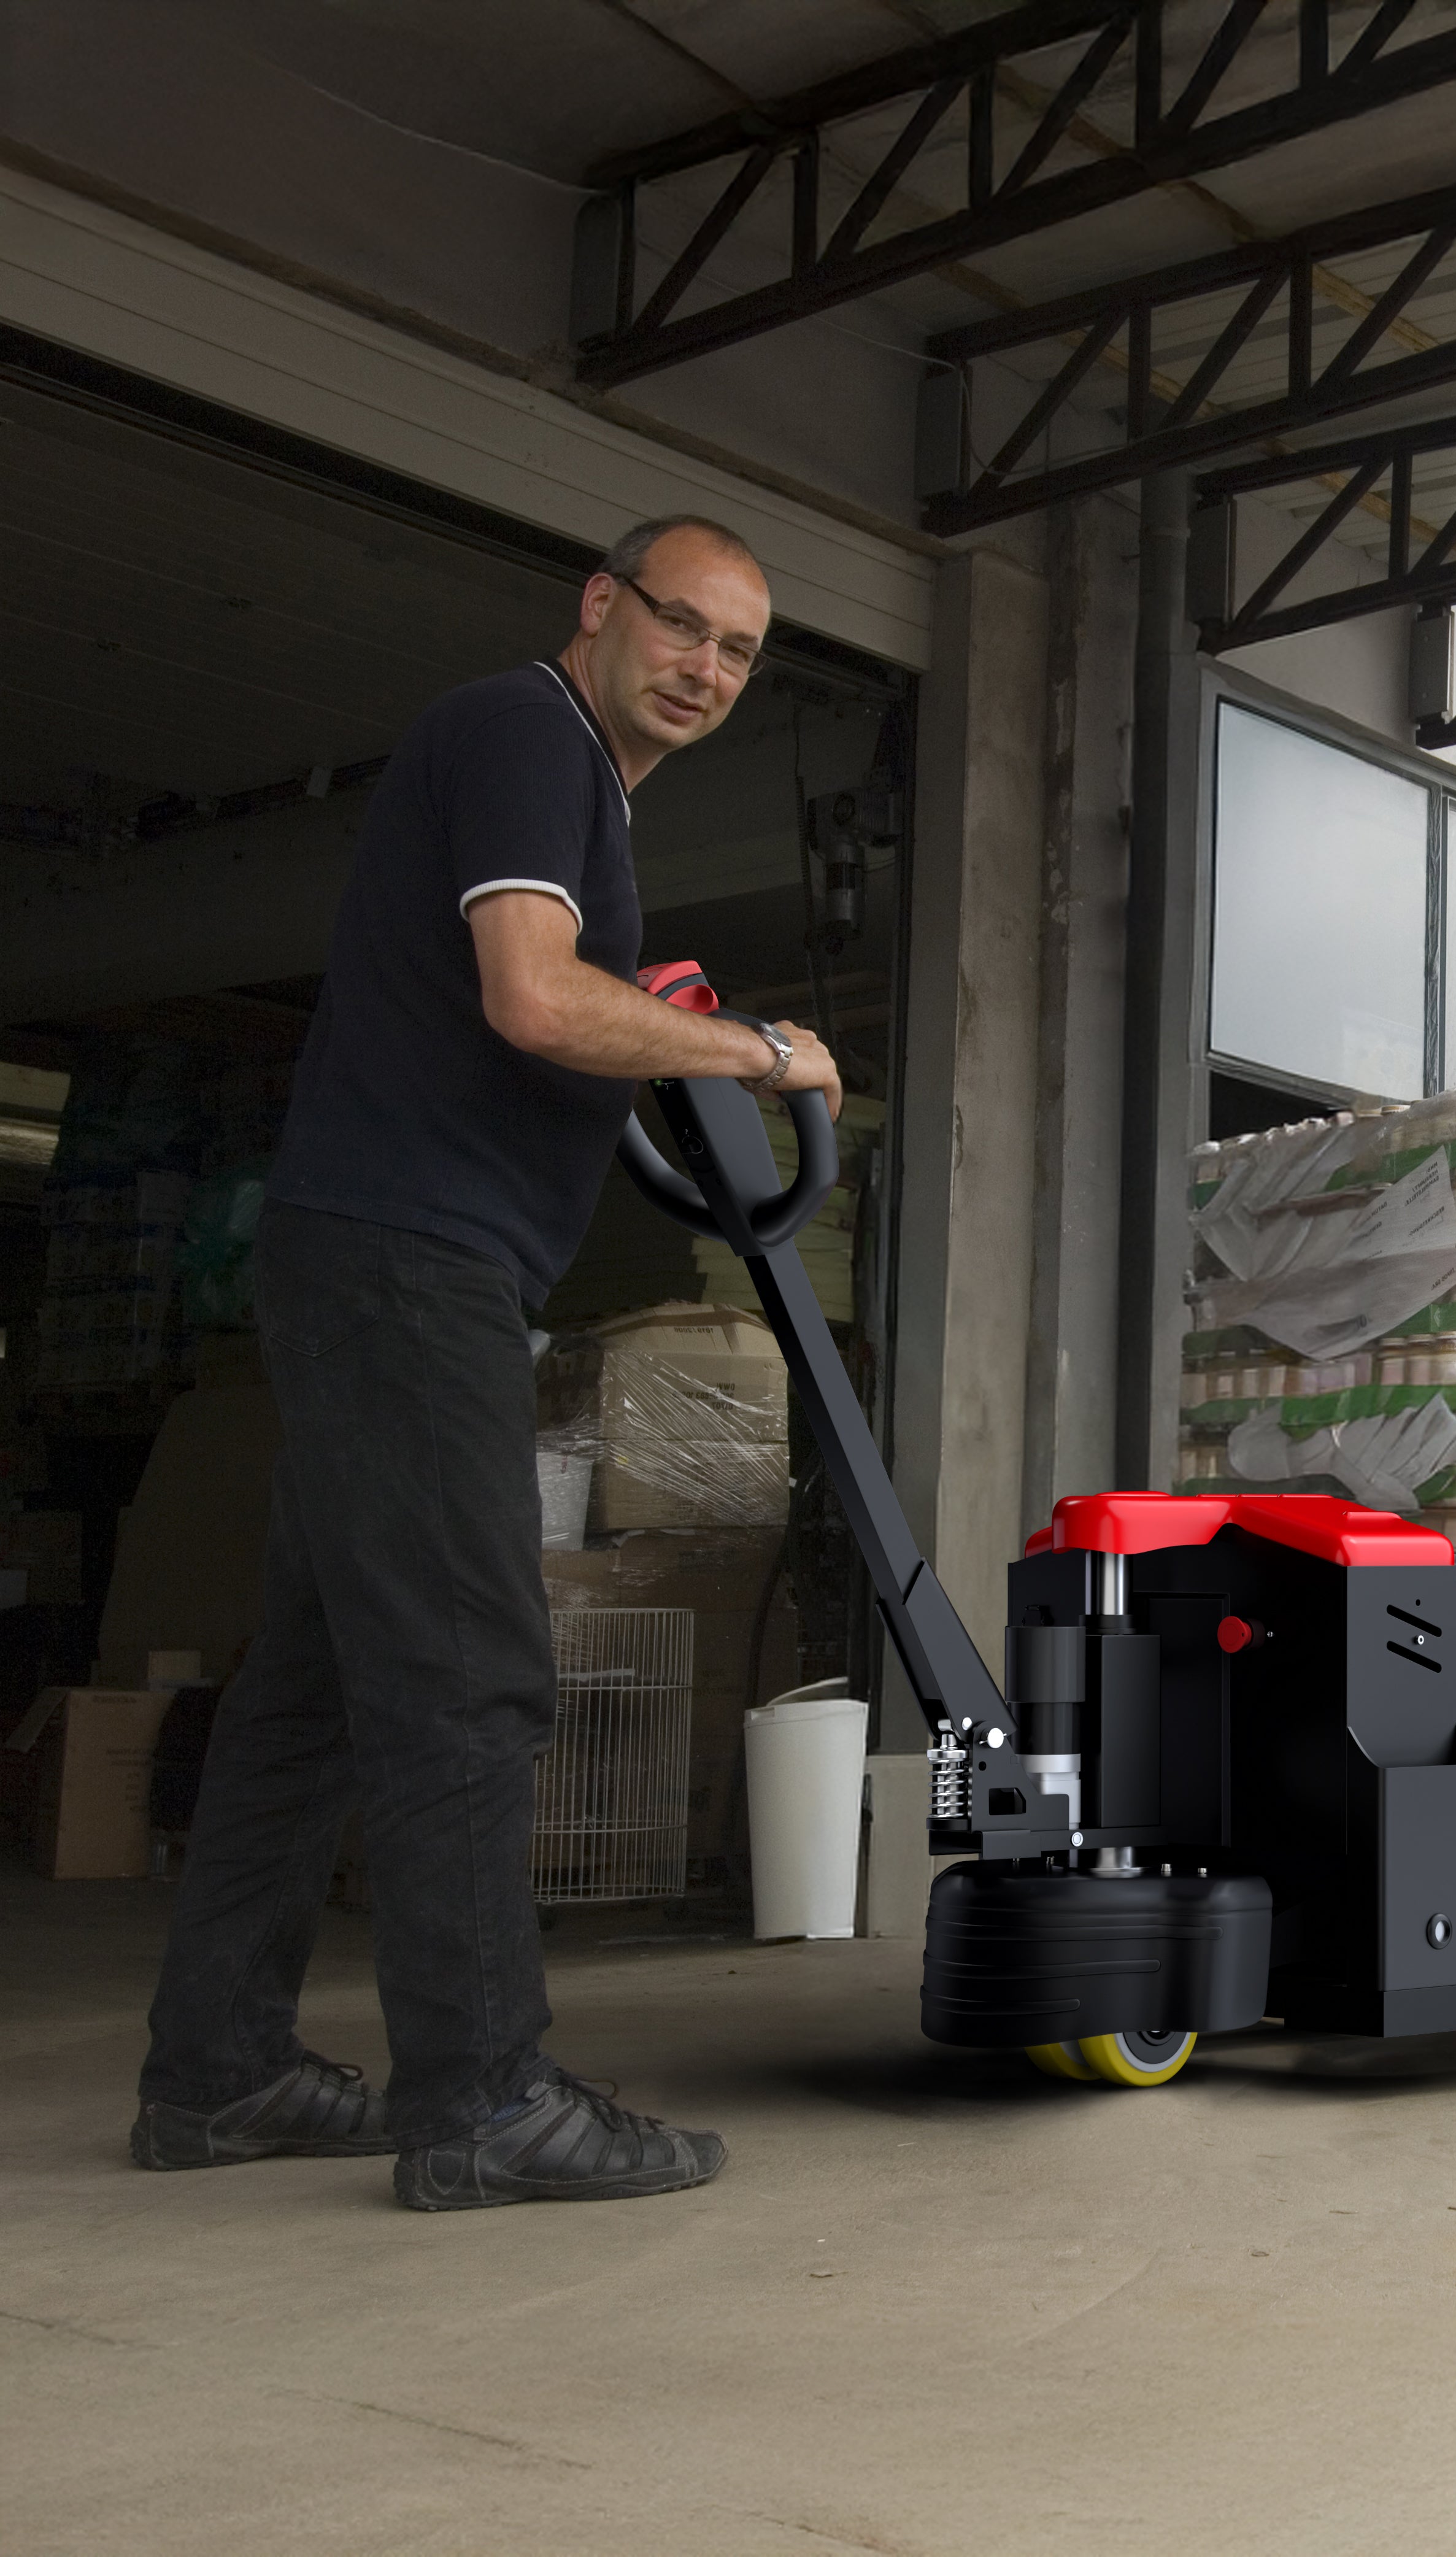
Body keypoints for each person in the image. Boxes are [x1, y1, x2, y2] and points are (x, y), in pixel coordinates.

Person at [131, 516, 839, 2212]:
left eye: (739, 653)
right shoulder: (529, 731)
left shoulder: (574, 789)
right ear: (601, 609)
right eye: (681, 624)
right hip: (405, 1266)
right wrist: (756, 1049)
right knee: (470, 1665)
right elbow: (532, 999)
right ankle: (483, 2095)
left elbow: (550, 1017)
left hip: (385, 1258)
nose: (706, 669)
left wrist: (657, 1038)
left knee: (311, 1693)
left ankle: (217, 2075)